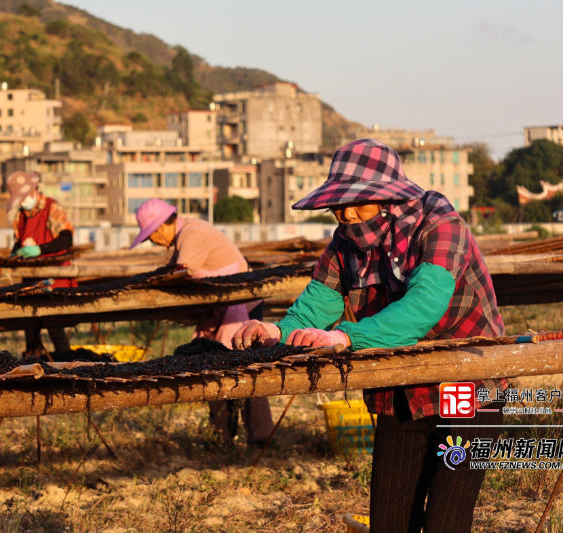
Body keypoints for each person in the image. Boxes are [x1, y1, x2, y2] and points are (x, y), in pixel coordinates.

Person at [233, 139, 507, 532]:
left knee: (446, 521)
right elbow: (317, 305)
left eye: (358, 203)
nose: (346, 214)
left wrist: (346, 337)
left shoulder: (440, 226)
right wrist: (275, 330)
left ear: (388, 198)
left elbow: (424, 306)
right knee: (389, 522)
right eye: (339, 206)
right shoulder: (343, 244)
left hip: (468, 384)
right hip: (401, 388)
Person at [131, 198, 274, 447]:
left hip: (238, 308)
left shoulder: (192, 233)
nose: (152, 241)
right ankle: (225, 437)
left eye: (150, 236)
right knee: (219, 364)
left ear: (162, 227)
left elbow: (180, 273)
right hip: (224, 306)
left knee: (243, 366)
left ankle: (255, 439)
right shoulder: (187, 233)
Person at [6, 171, 77, 356]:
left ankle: (67, 365)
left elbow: (66, 239)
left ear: (33, 191)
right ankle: (33, 362)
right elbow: (17, 244)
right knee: (30, 324)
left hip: (56, 278)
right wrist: (15, 255)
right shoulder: (20, 216)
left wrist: (39, 250)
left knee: (55, 326)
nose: (22, 203)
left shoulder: (52, 208)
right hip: (31, 280)